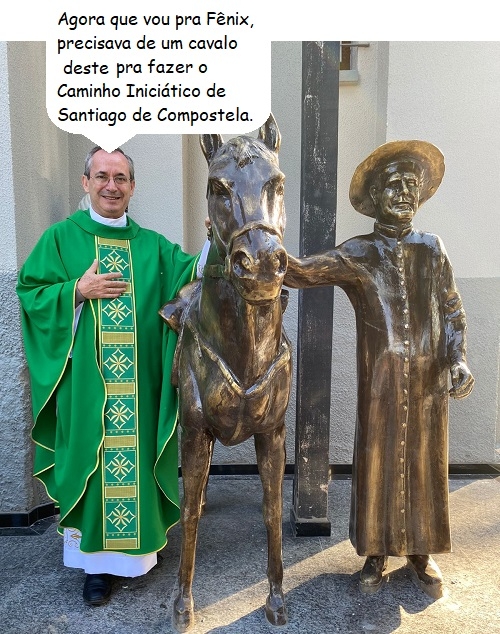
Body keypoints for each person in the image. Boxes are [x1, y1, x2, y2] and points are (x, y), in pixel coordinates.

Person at [16, 147, 206, 606]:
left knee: (136, 461)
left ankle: (138, 554)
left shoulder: (151, 245)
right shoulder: (61, 238)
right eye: (102, 176)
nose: (111, 186)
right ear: (86, 183)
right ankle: (96, 567)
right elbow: (31, 294)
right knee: (93, 460)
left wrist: (216, 239)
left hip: (140, 387)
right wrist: (75, 291)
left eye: (121, 178)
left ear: (132, 187)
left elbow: (193, 274)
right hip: (85, 386)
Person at [285, 140, 474, 598]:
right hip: (381, 383)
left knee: (426, 463)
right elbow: (303, 272)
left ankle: (421, 552)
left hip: (429, 381)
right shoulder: (359, 252)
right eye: (395, 184)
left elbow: (452, 308)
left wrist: (458, 357)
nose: (406, 192)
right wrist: (261, 242)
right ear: (375, 195)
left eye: (413, 184)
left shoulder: (432, 248)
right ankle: (375, 552)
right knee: (377, 462)